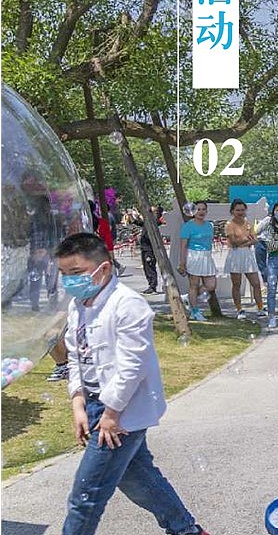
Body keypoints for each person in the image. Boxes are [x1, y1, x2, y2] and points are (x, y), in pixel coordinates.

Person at [55, 233, 211, 535]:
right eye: (63, 274)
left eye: (76, 273)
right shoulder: (78, 305)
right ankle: (186, 530)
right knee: (138, 478)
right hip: (94, 403)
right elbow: (75, 356)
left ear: (103, 268)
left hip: (120, 411)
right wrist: (77, 402)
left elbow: (132, 366)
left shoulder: (128, 304)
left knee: (85, 497)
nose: (69, 281)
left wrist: (111, 414)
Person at [223, 199, 265, 320]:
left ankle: (260, 307)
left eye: (242, 210)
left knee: (256, 283)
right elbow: (233, 242)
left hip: (247, 255)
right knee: (237, 284)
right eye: (238, 210)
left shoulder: (248, 224)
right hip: (235, 255)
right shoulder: (229, 225)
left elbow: (255, 240)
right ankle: (239, 309)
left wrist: (245, 240)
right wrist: (247, 239)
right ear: (232, 211)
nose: (240, 212)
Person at [177, 201, 219, 321]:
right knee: (193, 285)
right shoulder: (188, 226)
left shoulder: (209, 225)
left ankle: (187, 297)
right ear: (194, 211)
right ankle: (195, 311)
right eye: (198, 209)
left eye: (203, 209)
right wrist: (182, 263)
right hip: (193, 256)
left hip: (207, 256)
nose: (201, 212)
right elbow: (183, 246)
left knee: (211, 285)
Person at [138, 206, 164, 295]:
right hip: (144, 248)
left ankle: (153, 286)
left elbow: (151, 237)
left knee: (150, 267)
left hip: (150, 249)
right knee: (146, 267)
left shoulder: (155, 222)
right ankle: (150, 285)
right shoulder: (148, 221)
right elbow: (139, 223)